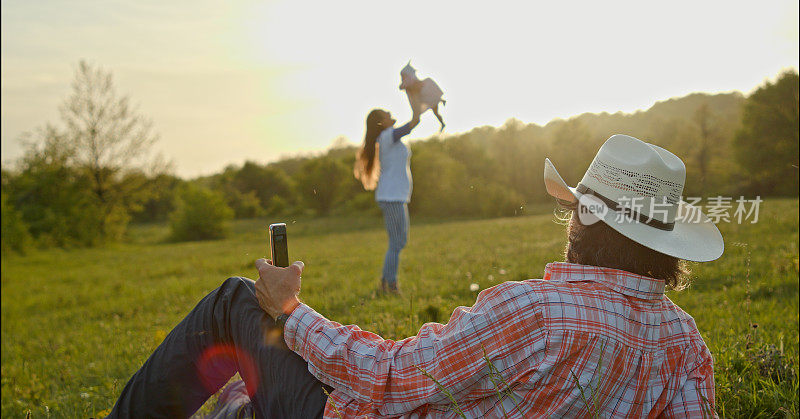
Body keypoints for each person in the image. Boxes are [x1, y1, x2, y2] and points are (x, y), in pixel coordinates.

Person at [109, 134, 723, 418]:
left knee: (237, 301)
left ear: (585, 215)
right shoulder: (686, 347)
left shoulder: (534, 313)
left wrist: (292, 310)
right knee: (248, 391)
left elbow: (389, 377)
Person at [354, 108, 420, 294]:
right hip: (391, 197)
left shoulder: (388, 137)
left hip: (396, 197)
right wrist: (417, 105)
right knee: (397, 242)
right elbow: (412, 125)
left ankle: (386, 282)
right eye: (387, 115)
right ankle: (389, 285)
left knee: (400, 241)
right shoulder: (387, 136)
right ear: (382, 123)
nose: (392, 116)